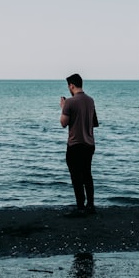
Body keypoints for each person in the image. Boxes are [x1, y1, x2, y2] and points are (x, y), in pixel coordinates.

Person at [60, 73, 98, 217]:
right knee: (87, 174)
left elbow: (63, 123)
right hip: (89, 143)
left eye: (68, 86)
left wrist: (63, 107)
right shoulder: (91, 101)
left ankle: (80, 207)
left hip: (75, 144)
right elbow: (94, 123)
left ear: (71, 85)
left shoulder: (70, 102)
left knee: (76, 176)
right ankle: (91, 205)